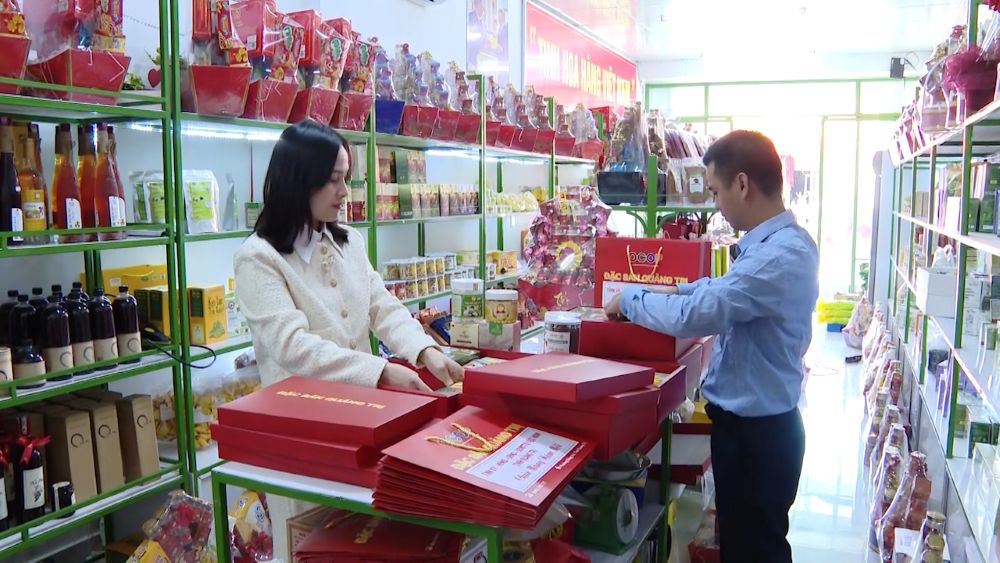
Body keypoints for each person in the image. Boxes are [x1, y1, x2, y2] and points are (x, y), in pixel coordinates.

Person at [234, 120, 465, 557]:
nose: (345, 192)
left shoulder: (349, 241)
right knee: (312, 542)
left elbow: (381, 305)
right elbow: (292, 346)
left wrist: (426, 350)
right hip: (302, 436)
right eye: (334, 179)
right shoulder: (259, 258)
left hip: (367, 423)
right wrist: (380, 371)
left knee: (364, 538)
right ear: (300, 179)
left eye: (347, 178)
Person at [605, 130, 818, 563]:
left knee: (757, 549)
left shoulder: (779, 257)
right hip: (751, 429)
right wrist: (667, 291)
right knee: (743, 542)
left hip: (759, 436)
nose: (715, 203)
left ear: (742, 184)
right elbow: (715, 290)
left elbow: (700, 314)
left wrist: (629, 298)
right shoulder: (773, 247)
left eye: (717, 191)